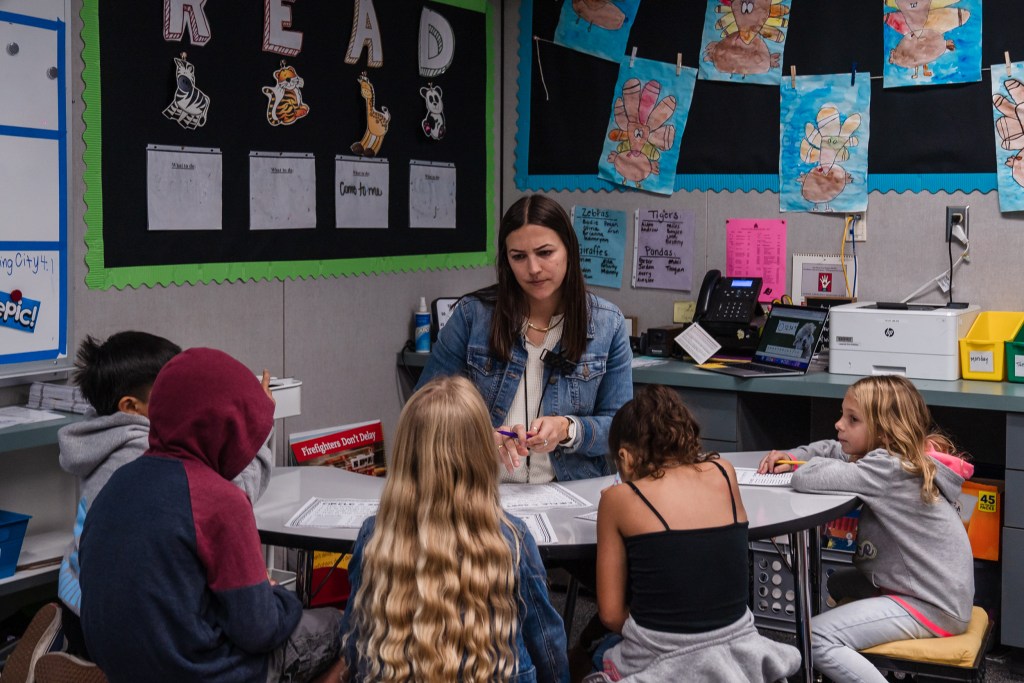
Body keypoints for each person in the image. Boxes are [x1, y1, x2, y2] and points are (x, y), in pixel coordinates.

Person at [79, 347, 343, 683]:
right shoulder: (219, 501)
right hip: (201, 673)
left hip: (123, 669)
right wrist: (279, 597)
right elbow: (259, 630)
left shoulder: (119, 481)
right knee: (344, 625)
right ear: (230, 430)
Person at [55, 331, 273, 661]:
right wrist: (255, 427)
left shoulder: (102, 437)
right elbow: (225, 500)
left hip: (80, 603)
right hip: (120, 627)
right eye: (172, 389)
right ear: (130, 407)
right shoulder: (143, 454)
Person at [339, 375, 569, 682]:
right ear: (481, 454)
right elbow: (546, 642)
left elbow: (355, 641)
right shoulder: (511, 538)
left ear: (406, 453)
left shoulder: (376, 534)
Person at [759, 374, 975, 683]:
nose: (839, 425)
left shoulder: (887, 468)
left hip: (930, 605)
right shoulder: (902, 457)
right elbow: (835, 451)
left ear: (884, 431)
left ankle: (833, 654)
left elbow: (807, 479)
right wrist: (796, 456)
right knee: (840, 585)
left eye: (852, 419)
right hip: (939, 592)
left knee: (815, 637)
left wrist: (801, 466)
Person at [588, 385, 800, 682]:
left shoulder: (617, 499)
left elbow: (610, 615)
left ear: (624, 456)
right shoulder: (724, 472)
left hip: (664, 661)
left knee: (594, 648)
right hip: (740, 646)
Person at [417, 194, 633, 483]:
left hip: (571, 490)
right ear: (506, 260)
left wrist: (568, 429)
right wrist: (480, 439)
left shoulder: (609, 323)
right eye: (519, 256)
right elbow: (423, 411)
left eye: (545, 253)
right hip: (484, 491)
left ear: (569, 250)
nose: (532, 269)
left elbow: (621, 430)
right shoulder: (472, 316)